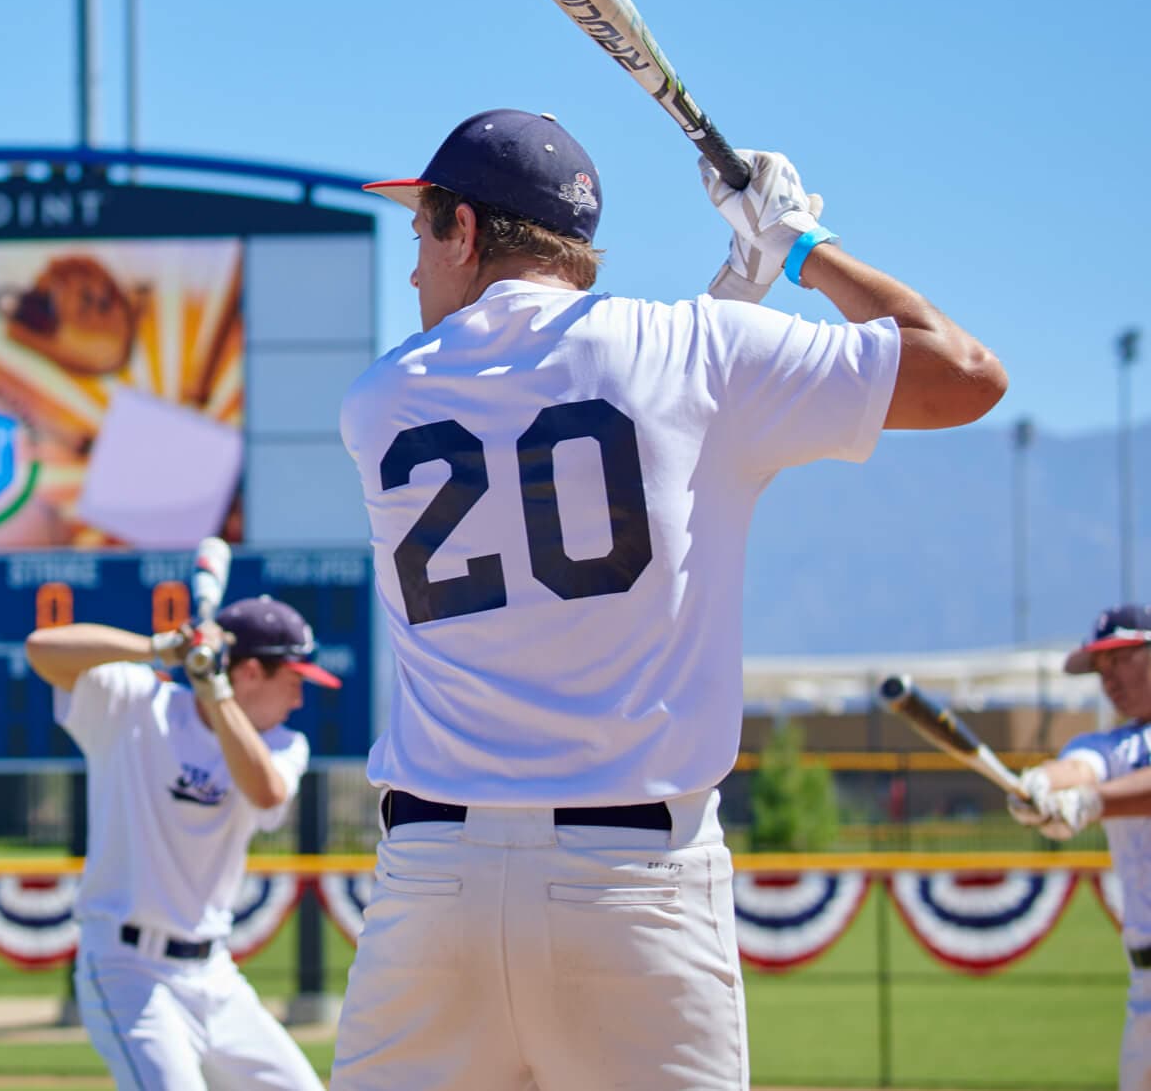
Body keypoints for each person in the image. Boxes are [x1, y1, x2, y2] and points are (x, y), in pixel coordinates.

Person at [331, 109, 1007, 1090]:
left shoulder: (380, 398)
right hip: (632, 887)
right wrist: (800, 251)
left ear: (467, 232)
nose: (415, 271)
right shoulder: (696, 352)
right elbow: (963, 377)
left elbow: (587, 422)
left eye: (424, 233)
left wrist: (732, 300)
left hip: (430, 890)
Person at [26, 590, 342, 1090]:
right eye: (293, 681)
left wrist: (216, 691)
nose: (300, 699)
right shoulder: (136, 704)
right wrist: (162, 648)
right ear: (252, 672)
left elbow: (264, 792)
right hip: (126, 968)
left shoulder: (283, 744)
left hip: (213, 975)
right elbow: (42, 649)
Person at [1008, 604, 1151, 1089]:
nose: (1108, 678)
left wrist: (1090, 803)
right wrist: (1040, 786)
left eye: (1121, 659)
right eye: (1100, 667)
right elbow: (1079, 766)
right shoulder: (1117, 745)